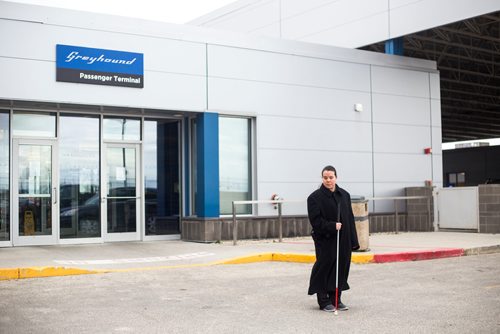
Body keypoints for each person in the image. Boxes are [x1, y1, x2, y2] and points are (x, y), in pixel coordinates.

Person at [307, 165, 359, 312]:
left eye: (331, 177)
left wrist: (353, 241)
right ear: (322, 178)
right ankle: (323, 301)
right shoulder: (314, 198)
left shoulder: (344, 195)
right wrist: (332, 226)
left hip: (343, 240)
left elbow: (350, 219)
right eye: (325, 178)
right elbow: (316, 222)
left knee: (341, 268)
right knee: (324, 268)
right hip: (325, 240)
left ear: (336, 177)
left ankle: (336, 299)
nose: (328, 180)